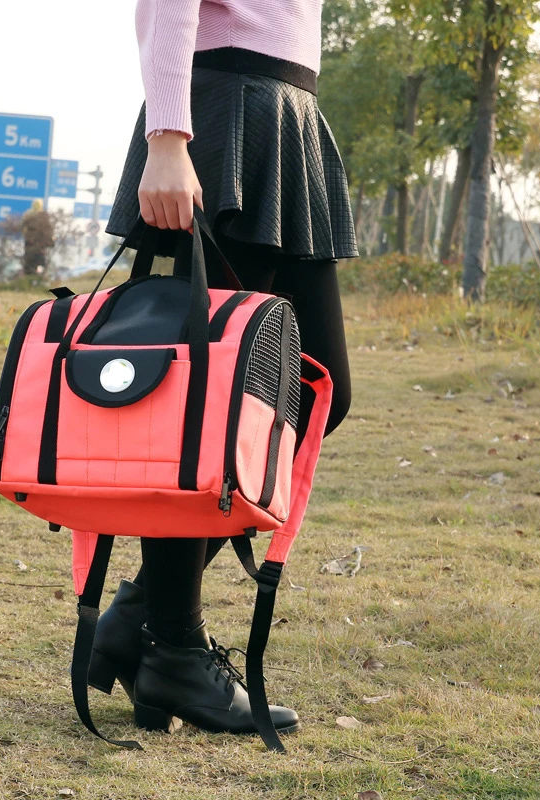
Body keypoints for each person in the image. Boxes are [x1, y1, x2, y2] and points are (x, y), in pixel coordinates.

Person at [92, 0, 359, 738]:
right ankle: (173, 645)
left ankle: (144, 615)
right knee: (213, 411)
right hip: (224, 115)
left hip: (285, 116)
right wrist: (167, 136)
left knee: (315, 390)